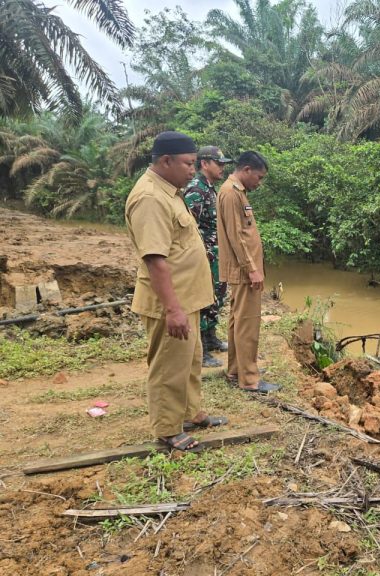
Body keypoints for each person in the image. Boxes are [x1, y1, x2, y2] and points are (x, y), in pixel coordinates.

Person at [125, 131, 228, 451]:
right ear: (165, 161)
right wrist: (172, 308)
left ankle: (190, 413)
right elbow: (155, 258)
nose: (191, 170)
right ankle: (168, 429)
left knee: (190, 359)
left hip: (189, 297)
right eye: (188, 164)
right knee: (170, 365)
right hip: (171, 301)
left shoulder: (170, 190)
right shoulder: (150, 198)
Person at [217, 151, 281, 394]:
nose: (259, 182)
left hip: (242, 270)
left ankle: (236, 371)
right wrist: (252, 270)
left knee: (238, 321)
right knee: (248, 324)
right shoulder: (232, 193)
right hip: (244, 271)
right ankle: (250, 379)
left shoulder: (235, 191)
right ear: (246, 170)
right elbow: (237, 237)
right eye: (259, 176)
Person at [183, 146, 233, 368]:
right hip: (204, 257)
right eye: (218, 163)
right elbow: (187, 228)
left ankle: (211, 338)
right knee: (204, 300)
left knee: (216, 297)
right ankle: (200, 349)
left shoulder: (210, 189)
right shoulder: (196, 190)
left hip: (215, 255)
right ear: (204, 163)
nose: (222, 168)